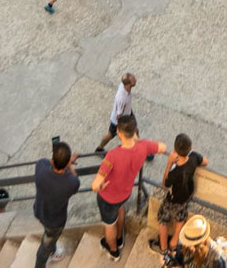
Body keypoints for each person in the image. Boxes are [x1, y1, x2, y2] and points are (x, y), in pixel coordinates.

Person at [93, 112, 166, 261]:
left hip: (108, 198)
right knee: (120, 209)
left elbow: (95, 185)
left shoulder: (112, 156)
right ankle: (120, 239)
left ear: (119, 134)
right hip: (125, 193)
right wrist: (139, 140)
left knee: (109, 225)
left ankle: (113, 251)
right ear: (134, 131)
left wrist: (99, 186)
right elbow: (163, 147)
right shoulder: (143, 146)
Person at [155, 133, 207, 258]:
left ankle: (164, 248)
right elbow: (205, 162)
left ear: (175, 150)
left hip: (171, 200)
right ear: (190, 148)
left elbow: (165, 184)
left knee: (162, 220)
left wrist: (169, 163)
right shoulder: (194, 157)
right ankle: (173, 244)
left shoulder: (175, 172)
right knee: (180, 220)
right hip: (185, 199)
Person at [32, 140, 81, 268]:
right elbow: (75, 179)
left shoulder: (41, 169)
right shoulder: (71, 183)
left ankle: (52, 249)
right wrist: (69, 165)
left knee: (49, 237)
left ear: (53, 161)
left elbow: (45, 161)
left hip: (39, 211)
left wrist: (62, 161)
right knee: (45, 245)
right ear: (66, 165)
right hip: (55, 222)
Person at [97, 71, 135, 154]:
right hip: (120, 119)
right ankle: (99, 148)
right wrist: (121, 128)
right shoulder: (121, 98)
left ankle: (138, 147)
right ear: (128, 84)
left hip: (128, 112)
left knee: (135, 130)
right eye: (133, 80)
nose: (135, 79)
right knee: (110, 135)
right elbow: (119, 116)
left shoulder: (124, 85)